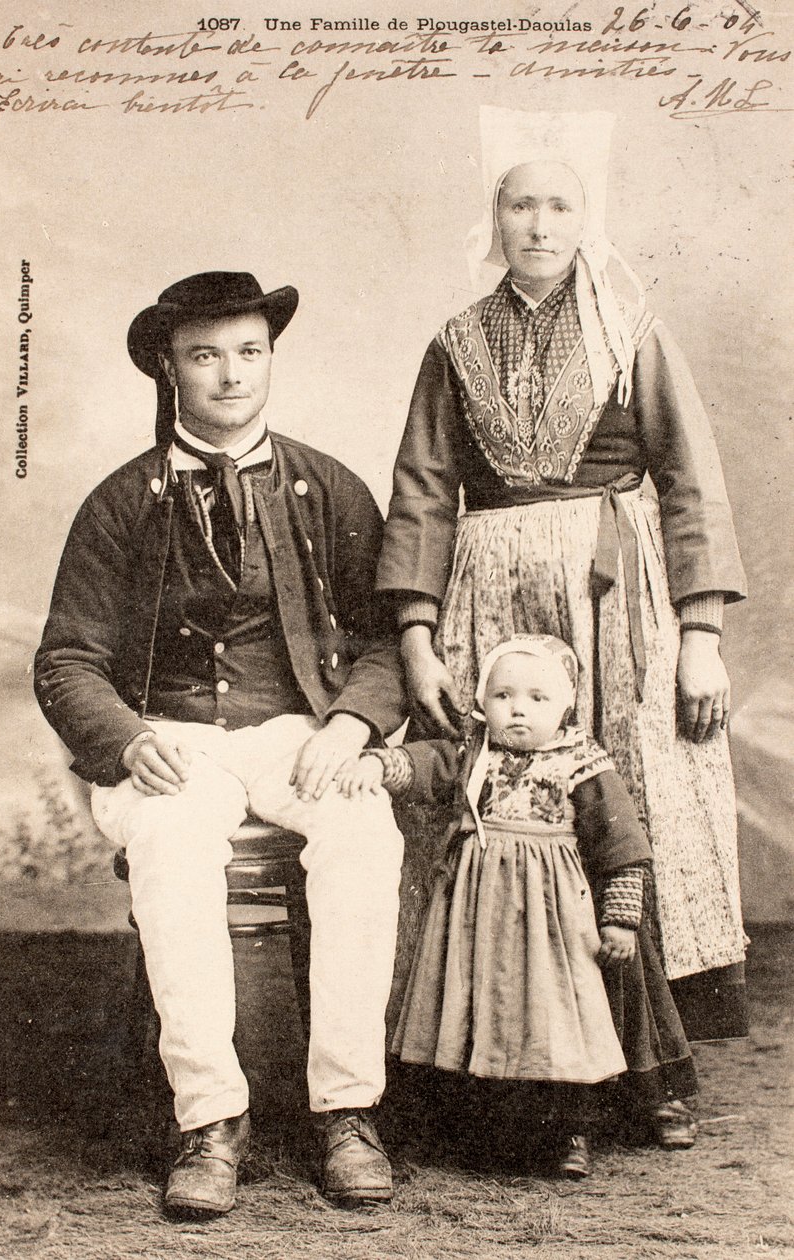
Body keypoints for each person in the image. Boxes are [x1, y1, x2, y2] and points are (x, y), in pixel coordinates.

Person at [34, 271, 409, 1217]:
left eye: (250, 352)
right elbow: (68, 659)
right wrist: (123, 741)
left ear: (270, 358)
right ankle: (209, 1121)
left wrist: (352, 723)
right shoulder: (122, 501)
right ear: (169, 366)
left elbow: (384, 640)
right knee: (171, 839)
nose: (232, 375)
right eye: (206, 355)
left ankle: (347, 1111)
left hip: (297, 731)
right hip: (166, 736)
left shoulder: (325, 487)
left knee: (365, 832)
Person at [375, 108, 748, 1041]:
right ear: (492, 218)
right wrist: (417, 642)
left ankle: (639, 1043)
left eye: (559, 205)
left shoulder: (631, 331)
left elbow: (689, 484)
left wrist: (699, 638)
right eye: (519, 204)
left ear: (589, 218)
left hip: (612, 595)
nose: (539, 225)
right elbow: (422, 494)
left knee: (625, 788)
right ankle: (485, 1031)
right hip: (486, 596)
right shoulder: (455, 341)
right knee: (483, 786)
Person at [337, 634, 698, 1176]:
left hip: (555, 921)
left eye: (537, 698)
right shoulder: (473, 752)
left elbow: (622, 847)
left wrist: (620, 919)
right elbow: (425, 765)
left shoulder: (583, 762)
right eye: (504, 696)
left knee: (558, 1018)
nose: (519, 710)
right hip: (476, 915)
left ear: (566, 706)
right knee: (477, 1011)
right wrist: (380, 765)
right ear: (483, 701)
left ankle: (570, 1129)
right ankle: (482, 1126)